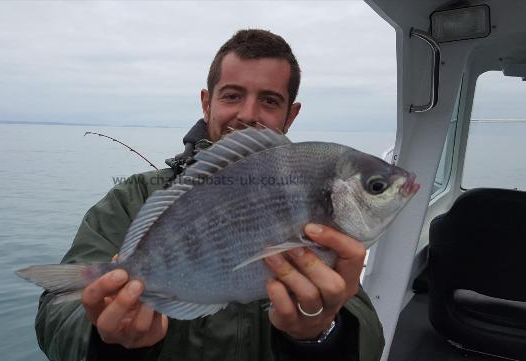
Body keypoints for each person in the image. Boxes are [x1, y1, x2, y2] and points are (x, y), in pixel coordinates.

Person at [35, 29, 385, 361]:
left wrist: (320, 334)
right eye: (232, 96)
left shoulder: (318, 205)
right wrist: (110, 343)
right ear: (207, 103)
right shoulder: (132, 198)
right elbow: (57, 314)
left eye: (269, 101)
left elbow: (367, 339)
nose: (248, 114)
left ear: (290, 115)